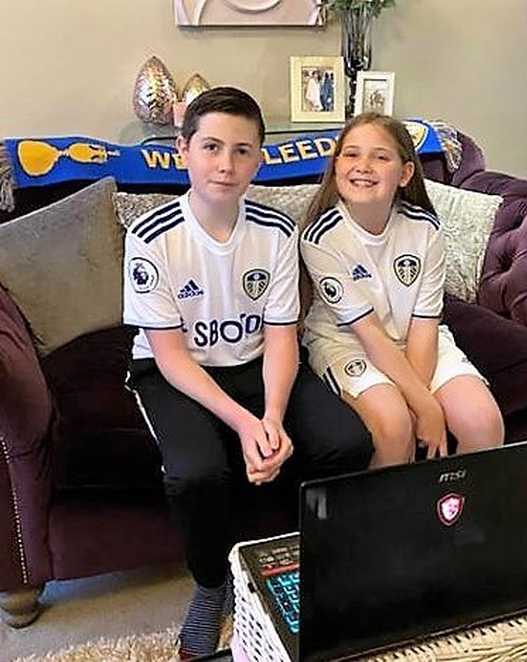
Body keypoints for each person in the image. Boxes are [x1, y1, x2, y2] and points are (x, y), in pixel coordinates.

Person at [123, 87, 372, 659]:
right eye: (211, 147)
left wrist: (274, 417)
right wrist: (245, 424)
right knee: (196, 475)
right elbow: (169, 355)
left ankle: (303, 561)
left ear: (259, 159)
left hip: (261, 362)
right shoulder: (151, 237)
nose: (226, 164)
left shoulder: (277, 231)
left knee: (347, 442)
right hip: (176, 372)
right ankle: (212, 586)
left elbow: (283, 337)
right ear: (182, 150)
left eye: (242, 151)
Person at [300, 113, 504, 469]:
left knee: (484, 424)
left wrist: (419, 399)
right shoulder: (320, 238)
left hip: (416, 339)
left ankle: (455, 519)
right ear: (336, 166)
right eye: (351, 155)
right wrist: (424, 407)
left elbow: (424, 324)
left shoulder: (424, 227)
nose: (363, 166)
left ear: (405, 173)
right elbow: (371, 336)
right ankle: (382, 523)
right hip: (349, 342)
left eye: (380, 157)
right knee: (395, 427)